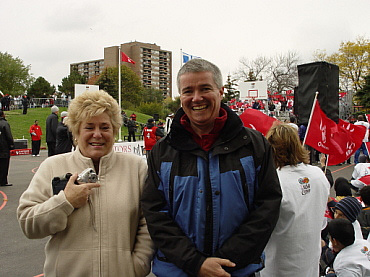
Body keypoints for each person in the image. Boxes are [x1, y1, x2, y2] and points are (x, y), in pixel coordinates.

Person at [141, 59, 282, 277]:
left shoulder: (254, 144)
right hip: (178, 271)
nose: (196, 98)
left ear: (220, 91)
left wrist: (225, 263)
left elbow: (267, 207)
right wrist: (195, 263)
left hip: (236, 271)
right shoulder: (162, 151)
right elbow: (155, 213)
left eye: (205, 88)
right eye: (188, 91)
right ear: (181, 97)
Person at [17, 90, 154, 276]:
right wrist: (65, 202)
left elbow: (148, 223)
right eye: (89, 127)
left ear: (114, 130)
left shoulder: (136, 168)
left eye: (105, 127)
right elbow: (28, 224)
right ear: (76, 131)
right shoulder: (52, 166)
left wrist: (137, 265)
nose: (97, 134)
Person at [259, 124, 330, 277]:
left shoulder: (273, 181)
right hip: (310, 265)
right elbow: (322, 220)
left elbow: (260, 227)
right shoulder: (318, 175)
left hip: (280, 267)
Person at [0, 110, 14, 186]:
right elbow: (8, 136)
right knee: (4, 165)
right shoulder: (5, 124)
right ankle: (3, 181)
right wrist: (11, 145)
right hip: (4, 147)